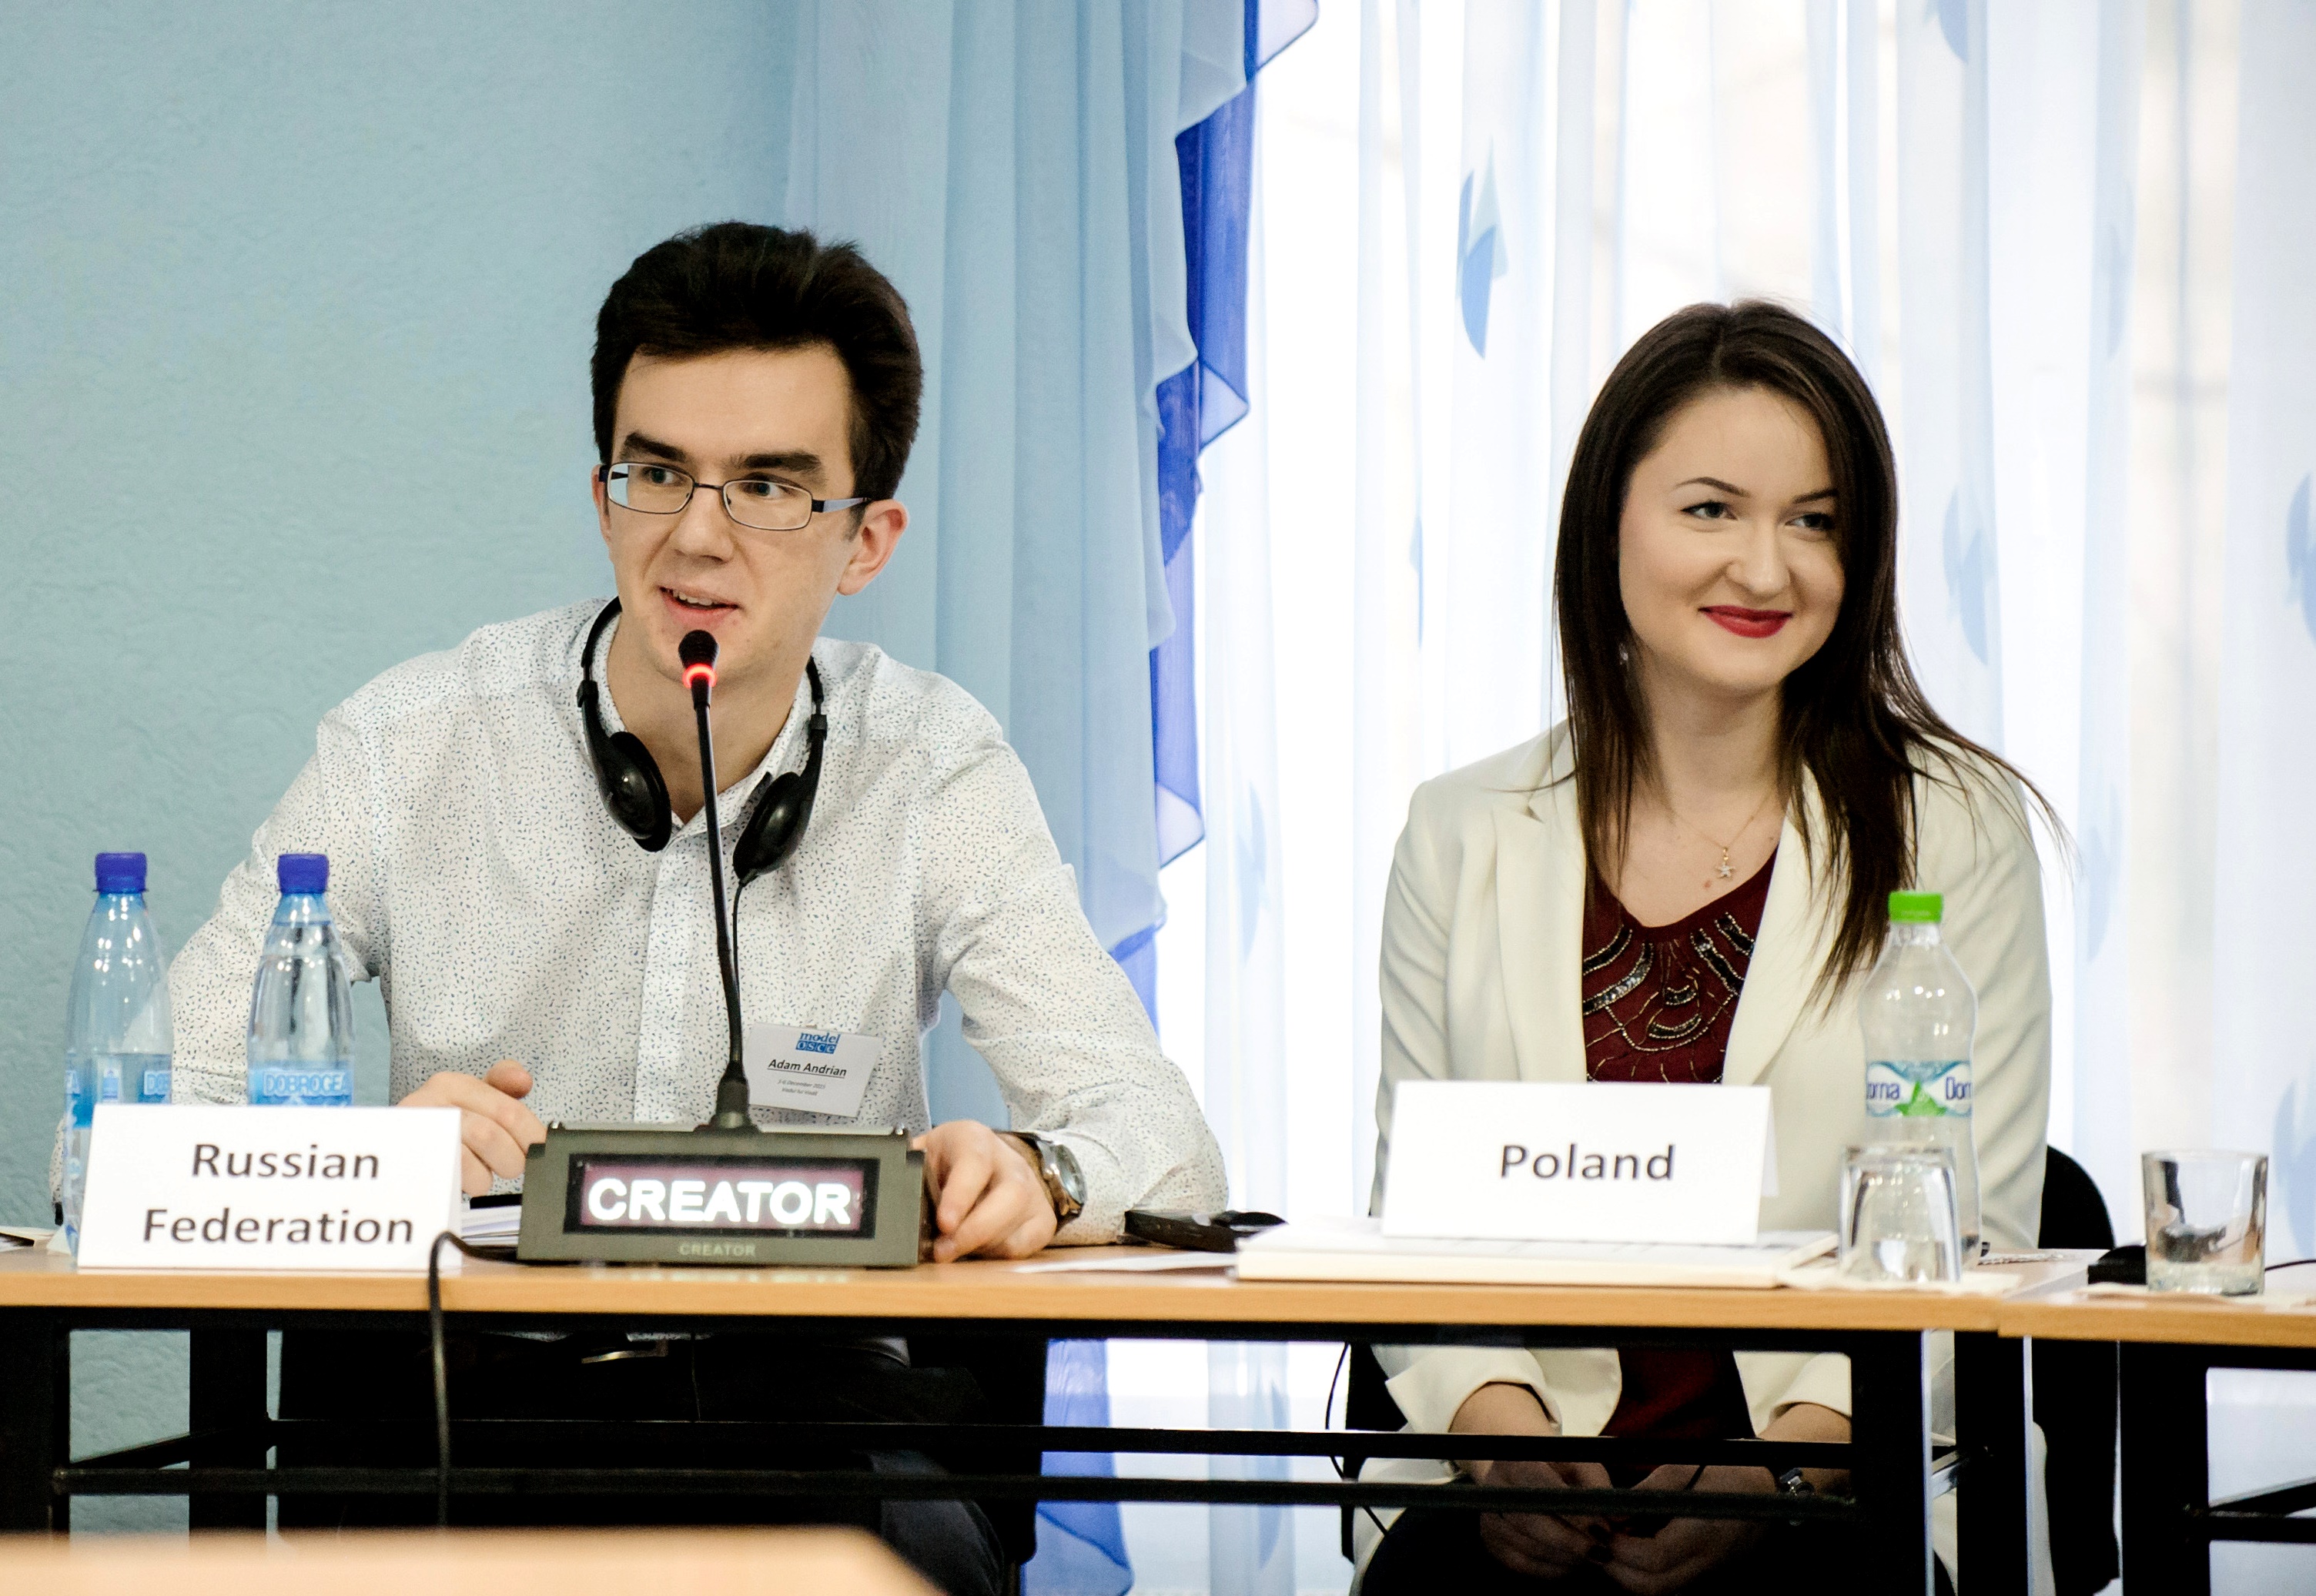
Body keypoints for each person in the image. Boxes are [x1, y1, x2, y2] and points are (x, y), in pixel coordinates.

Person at [165, 221, 1226, 1591]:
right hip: (470, 1416)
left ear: (867, 540)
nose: (698, 535)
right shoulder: (408, 743)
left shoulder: (933, 765)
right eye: (657, 473)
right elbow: (132, 1131)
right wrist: (365, 1165)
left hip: (820, 1424)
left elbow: (1164, 1142)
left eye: (770, 486)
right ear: (603, 495)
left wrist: (1041, 1173)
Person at [1356, 302, 2051, 1594]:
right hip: (1526, 1491)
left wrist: (1781, 1469)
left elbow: (1979, 1237)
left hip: (1845, 1482)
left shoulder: (1953, 826)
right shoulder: (1461, 831)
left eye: (1815, 521)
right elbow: (1420, 1224)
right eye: (1712, 509)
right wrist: (1502, 1446)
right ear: (1606, 524)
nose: (1767, 569)